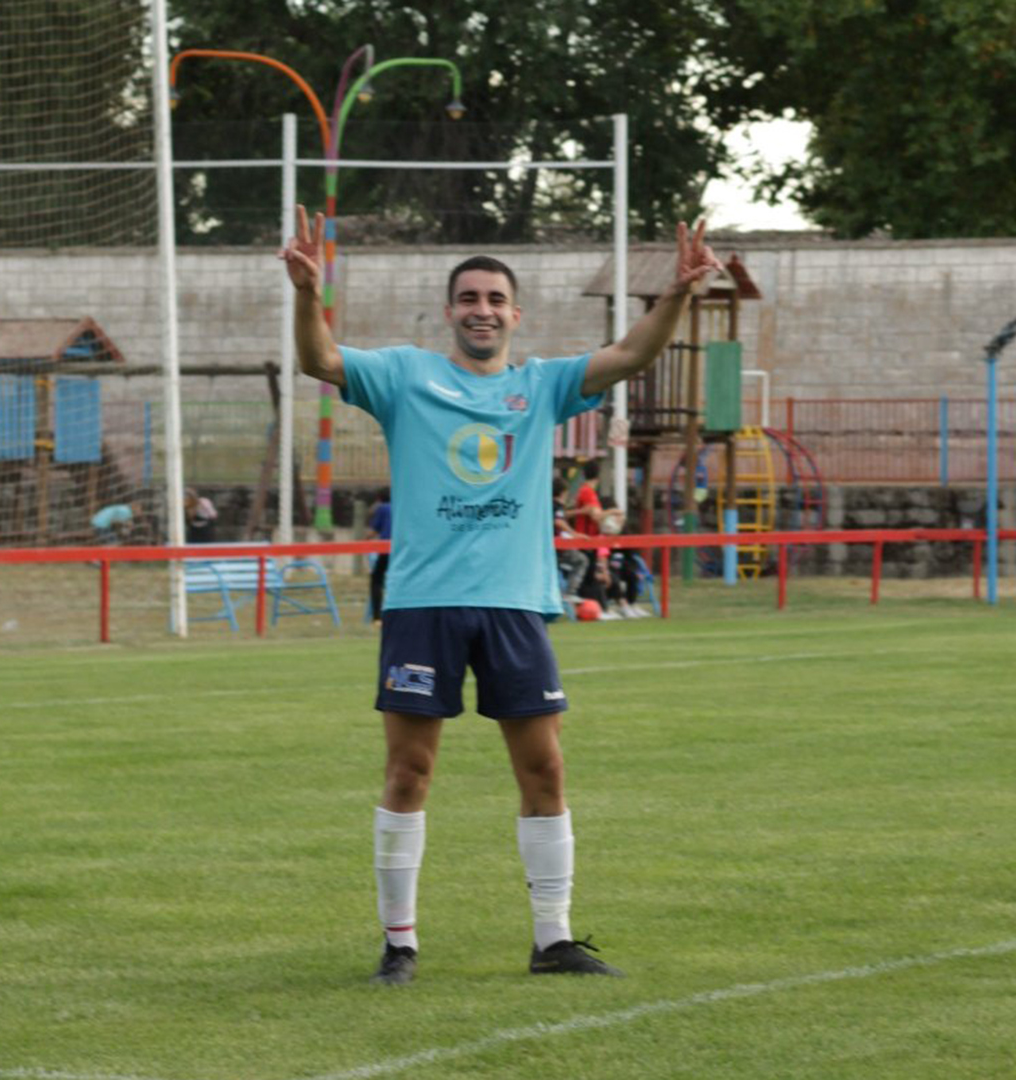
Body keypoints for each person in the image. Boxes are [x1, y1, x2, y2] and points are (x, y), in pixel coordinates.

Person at [281, 204, 722, 984]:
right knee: (409, 772)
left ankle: (553, 939)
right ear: (449, 312)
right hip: (423, 602)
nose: (481, 310)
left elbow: (628, 355)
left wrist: (678, 294)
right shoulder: (404, 375)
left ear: (516, 314)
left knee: (544, 770)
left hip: (516, 603)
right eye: (468, 299)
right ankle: (400, 945)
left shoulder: (543, 385)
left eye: (494, 300)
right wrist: (307, 290)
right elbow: (319, 358)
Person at [365, 487, 392, 624]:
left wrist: (365, 540)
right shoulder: (399, 507)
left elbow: (374, 531)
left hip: (386, 549)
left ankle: (377, 617)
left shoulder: (382, 508)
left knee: (376, 580)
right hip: (402, 549)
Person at [568, 460, 605, 538]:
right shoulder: (587, 491)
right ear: (598, 475)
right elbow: (596, 516)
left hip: (589, 539)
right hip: (586, 540)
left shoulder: (586, 490)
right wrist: (614, 511)